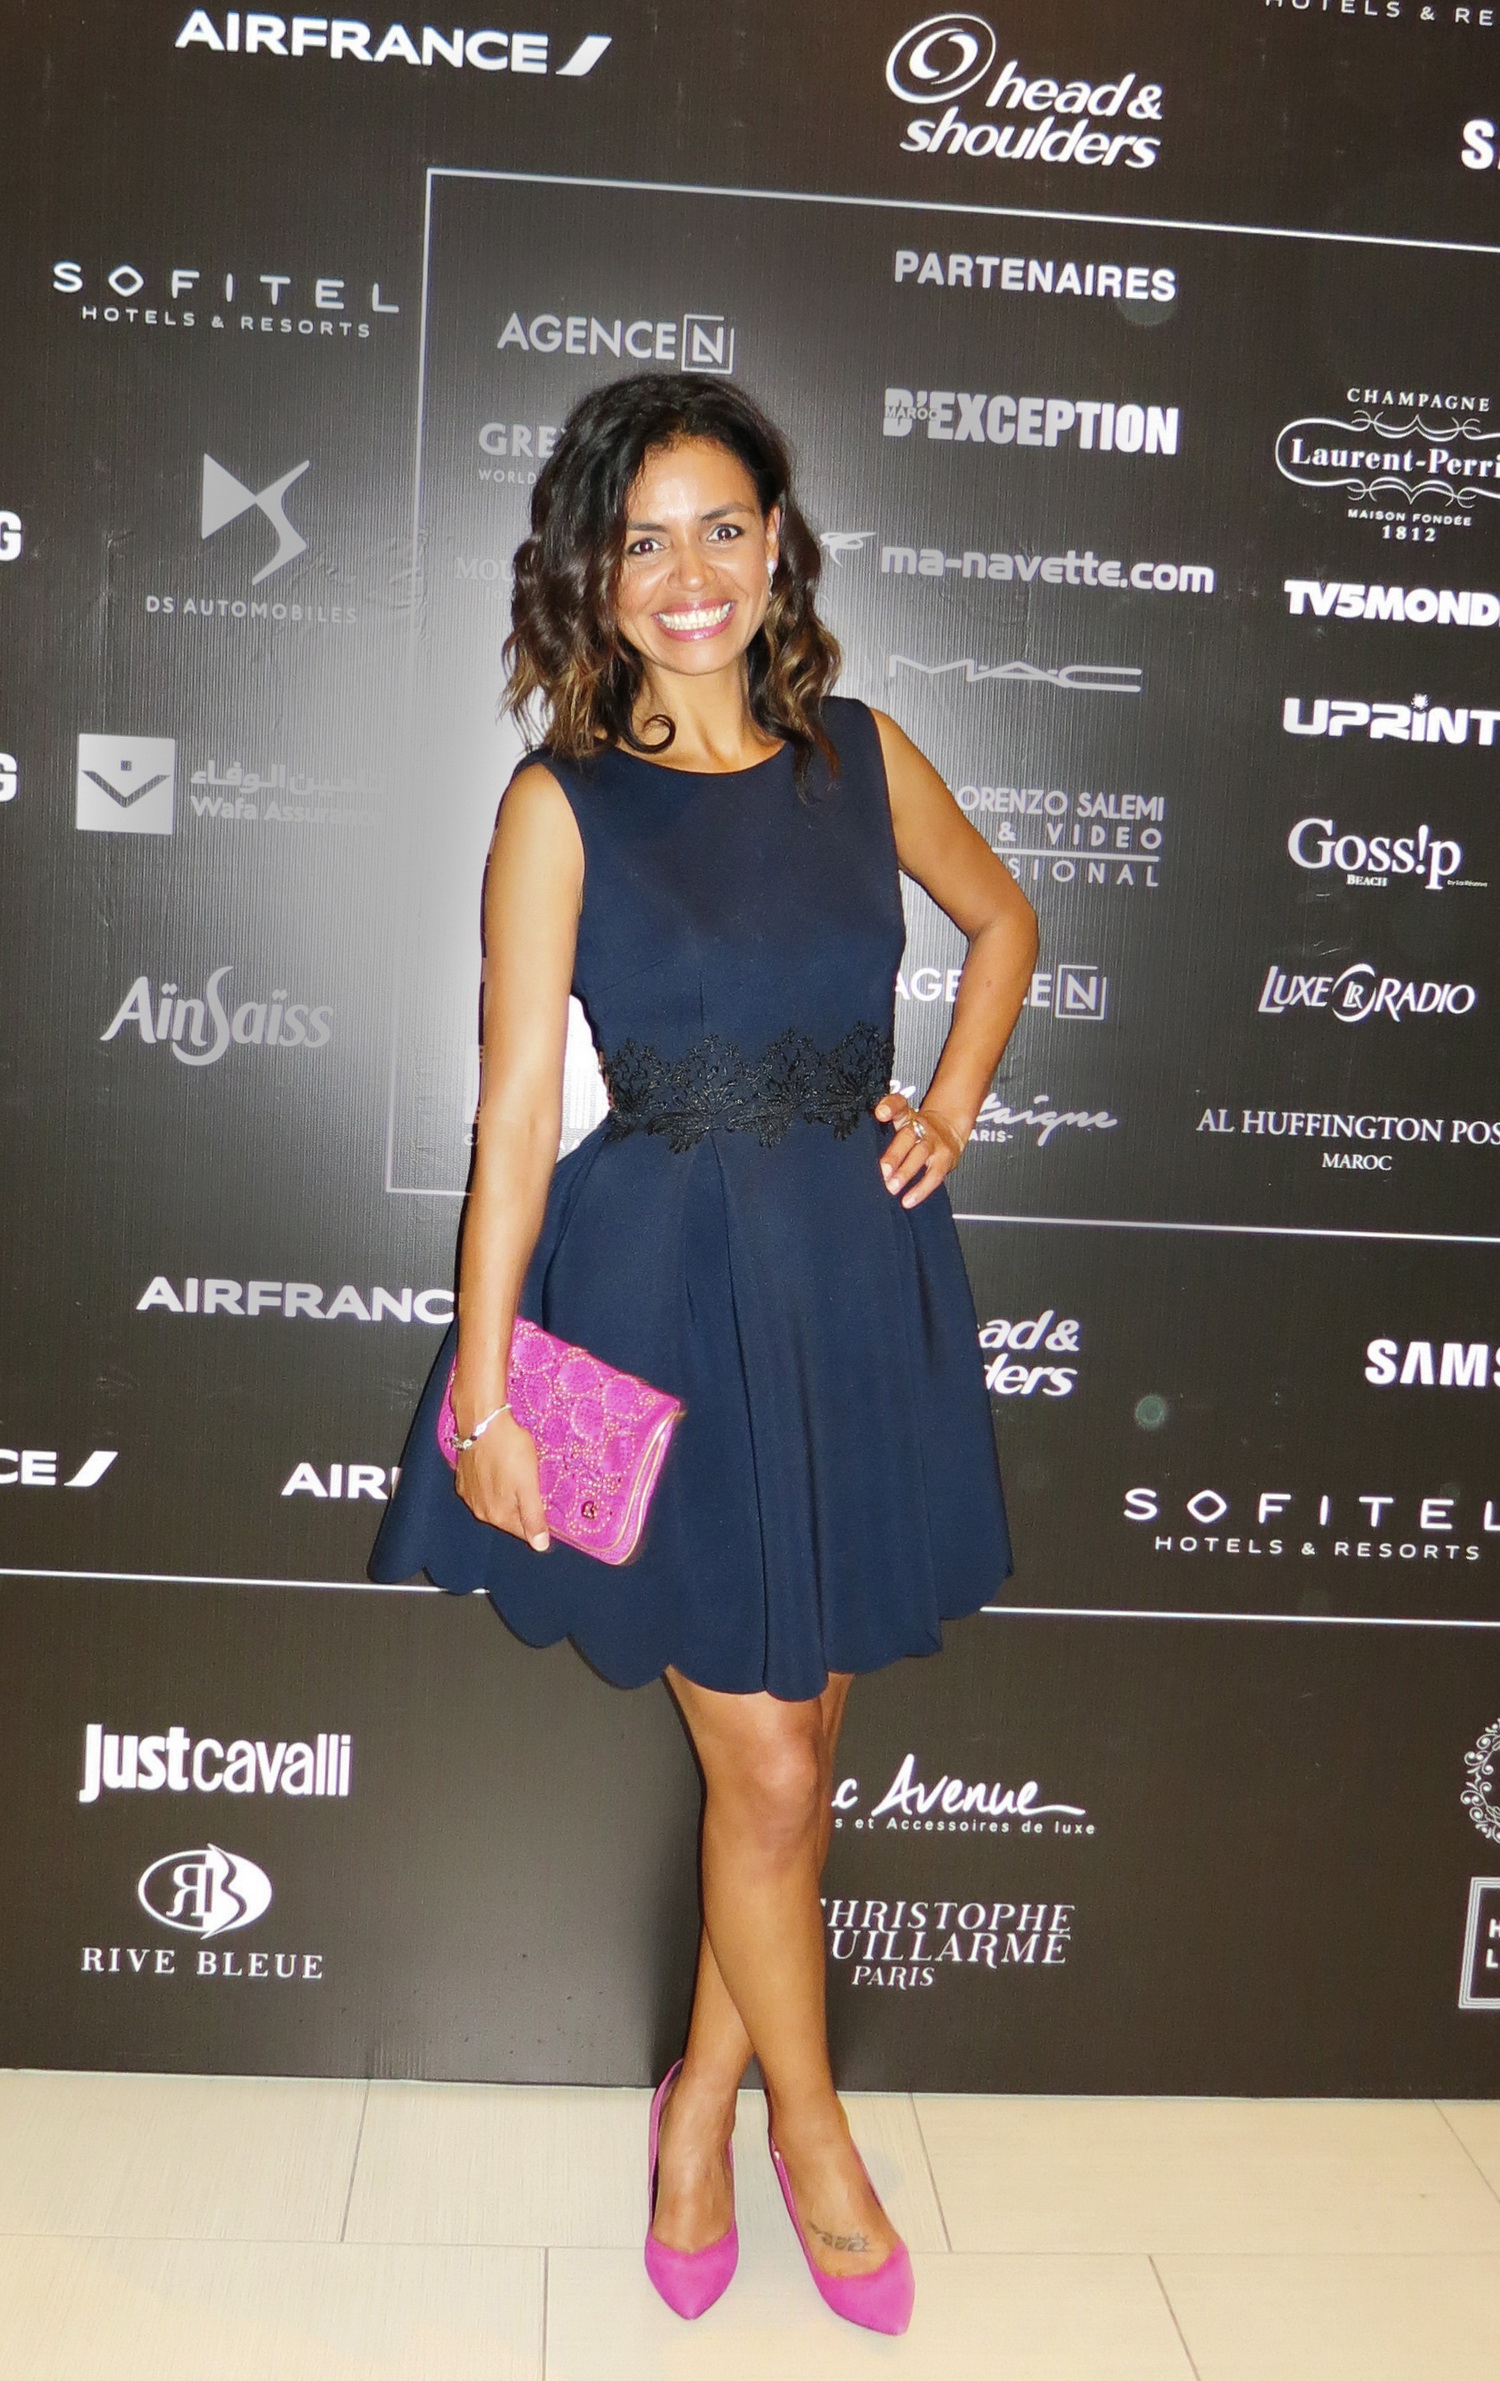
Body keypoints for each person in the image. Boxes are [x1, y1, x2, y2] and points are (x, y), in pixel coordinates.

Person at [371, 372, 1038, 2334]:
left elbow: (1005, 921)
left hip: (852, 1289)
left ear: (776, 547)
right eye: (644, 537)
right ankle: (808, 2141)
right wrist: (487, 1392)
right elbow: (514, 1115)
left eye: (722, 528)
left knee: (799, 1759)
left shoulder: (861, 757)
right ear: (592, 571)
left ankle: (697, 2114)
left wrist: (951, 1104)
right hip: (642, 1305)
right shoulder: (558, 803)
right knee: (763, 1761)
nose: (688, 572)